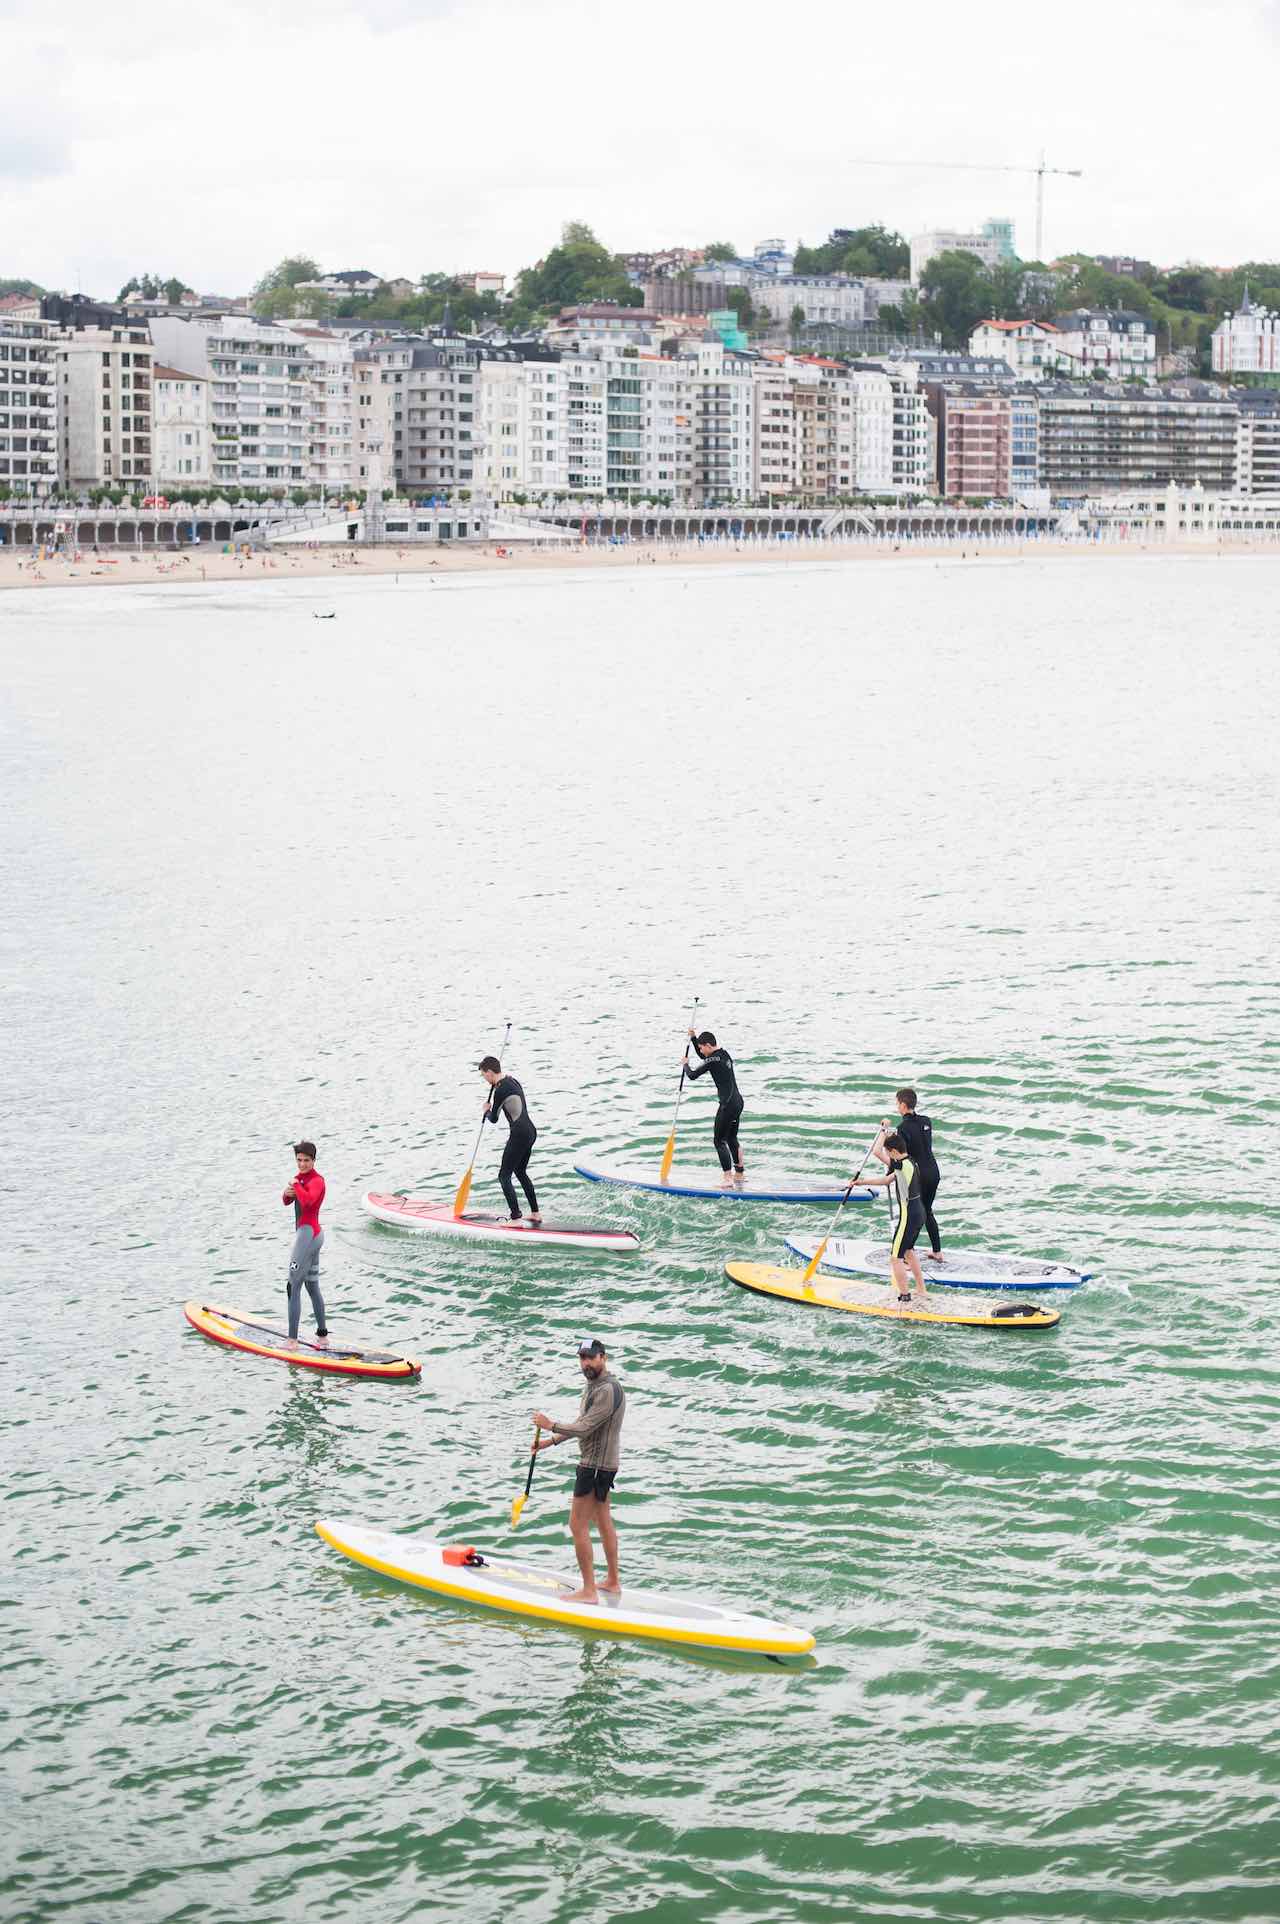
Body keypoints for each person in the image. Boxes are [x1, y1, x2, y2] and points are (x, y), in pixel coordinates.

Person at [533, 1340, 626, 1604]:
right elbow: (583, 1425)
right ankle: (612, 1581)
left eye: (590, 1358)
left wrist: (550, 1425)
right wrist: (550, 1442)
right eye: (582, 1358)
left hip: (594, 1466)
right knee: (603, 1521)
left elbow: (584, 1429)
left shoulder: (607, 1389)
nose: (585, 1363)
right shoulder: (596, 1386)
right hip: (603, 1465)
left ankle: (589, 1591)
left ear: (603, 1358)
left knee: (577, 1524)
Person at [861, 1132, 927, 1306]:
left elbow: (876, 1152)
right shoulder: (911, 1162)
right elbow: (886, 1180)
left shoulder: (901, 1164)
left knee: (895, 1258)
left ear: (894, 1151)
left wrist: (883, 1131)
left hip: (909, 1215)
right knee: (908, 1251)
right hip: (919, 1212)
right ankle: (921, 1290)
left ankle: (904, 1297)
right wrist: (861, 1182)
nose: (887, 1155)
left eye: (888, 1152)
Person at [877, 1087, 942, 1261]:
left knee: (912, 1212)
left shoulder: (902, 1127)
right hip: (934, 1172)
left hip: (917, 1174)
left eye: (897, 1104)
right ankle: (937, 1252)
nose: (897, 1107)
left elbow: (903, 1152)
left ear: (904, 1105)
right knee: (927, 1211)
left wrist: (892, 1170)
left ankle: (907, 1253)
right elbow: (919, 1145)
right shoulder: (926, 1121)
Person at [479, 1054, 540, 1224]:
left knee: (504, 1176)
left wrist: (486, 1110)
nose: (485, 1079)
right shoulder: (513, 1081)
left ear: (490, 1072)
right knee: (520, 1172)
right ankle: (536, 1214)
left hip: (519, 1134)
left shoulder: (500, 1090)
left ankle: (516, 1218)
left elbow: (494, 1118)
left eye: (484, 1075)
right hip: (530, 1131)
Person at [684, 1029, 745, 1186]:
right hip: (738, 1102)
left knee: (719, 1141)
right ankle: (739, 1174)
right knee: (732, 1138)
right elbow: (704, 1056)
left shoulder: (712, 1060)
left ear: (709, 1045)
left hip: (727, 1105)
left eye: (702, 1048)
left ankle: (727, 1179)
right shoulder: (724, 1054)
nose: (702, 1051)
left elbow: (692, 1075)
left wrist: (685, 1065)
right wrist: (693, 1038)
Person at [282, 1140, 328, 1342]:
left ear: (314, 1160)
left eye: (306, 1160)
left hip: (309, 1236)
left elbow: (308, 1202)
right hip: (309, 1236)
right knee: (311, 1285)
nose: (302, 1164)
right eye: (299, 1160)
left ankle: (292, 1341)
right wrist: (287, 1192)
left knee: (293, 1285)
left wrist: (295, 1185)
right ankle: (323, 1335)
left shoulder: (316, 1180)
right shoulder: (299, 1179)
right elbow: (287, 1201)